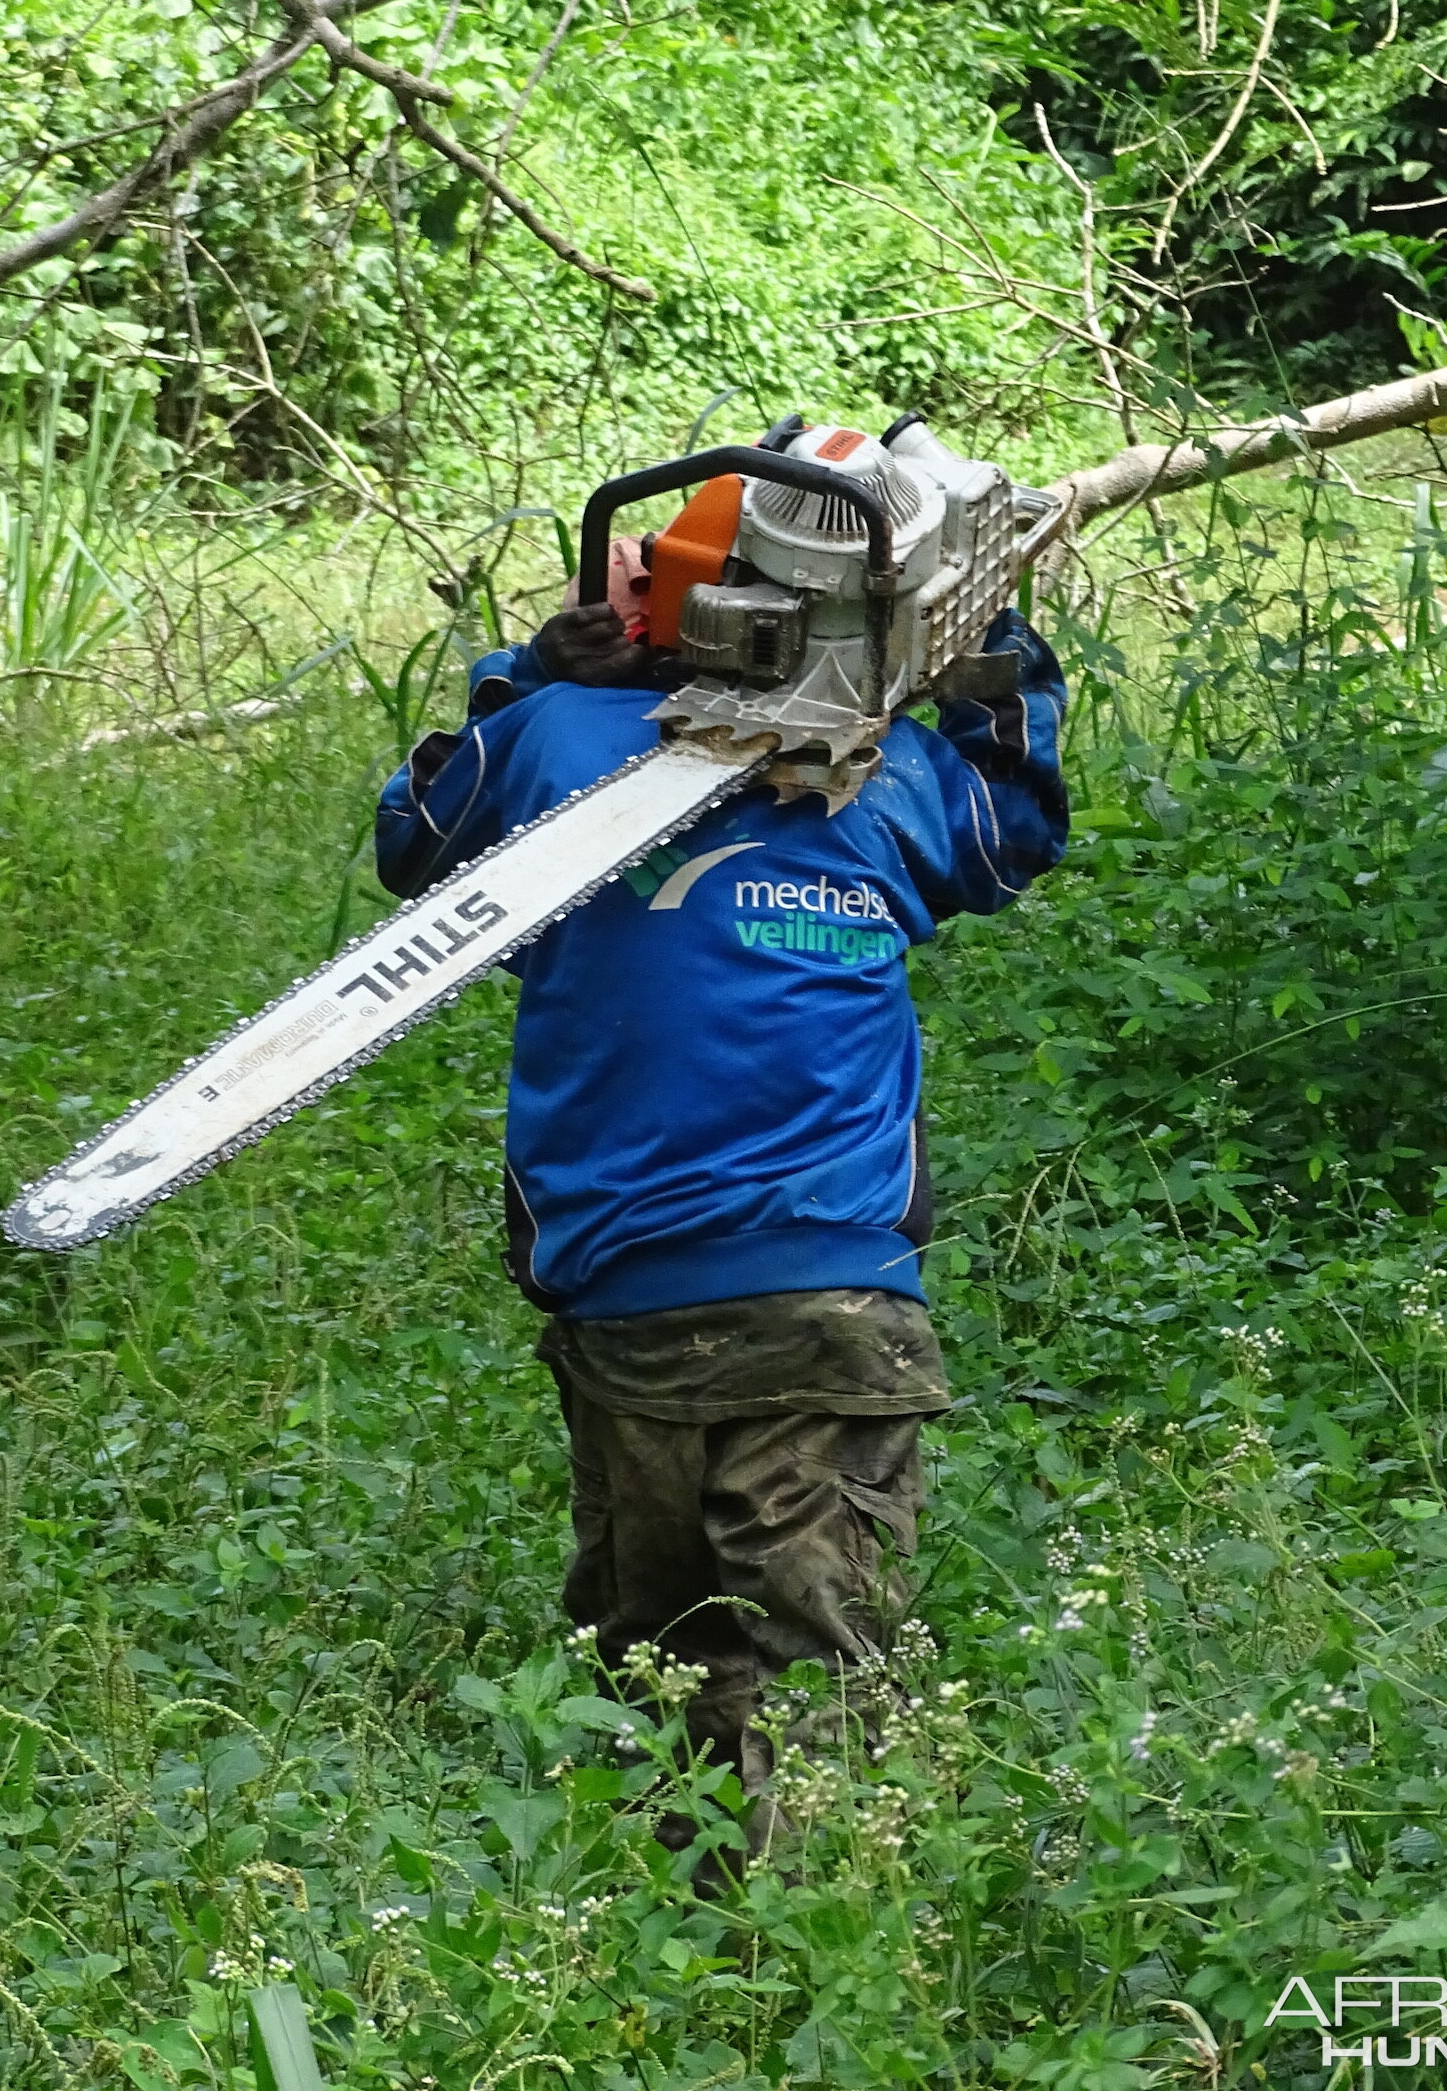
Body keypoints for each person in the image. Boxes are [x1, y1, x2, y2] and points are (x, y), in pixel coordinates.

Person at [373, 468, 1068, 1835]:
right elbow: (1015, 829)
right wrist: (989, 658)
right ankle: (813, 1926)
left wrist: (517, 677)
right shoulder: (911, 780)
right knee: (825, 1652)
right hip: (832, 1292)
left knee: (656, 1648)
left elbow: (417, 841)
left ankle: (681, 1924)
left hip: (623, 1280)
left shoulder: (552, 740)